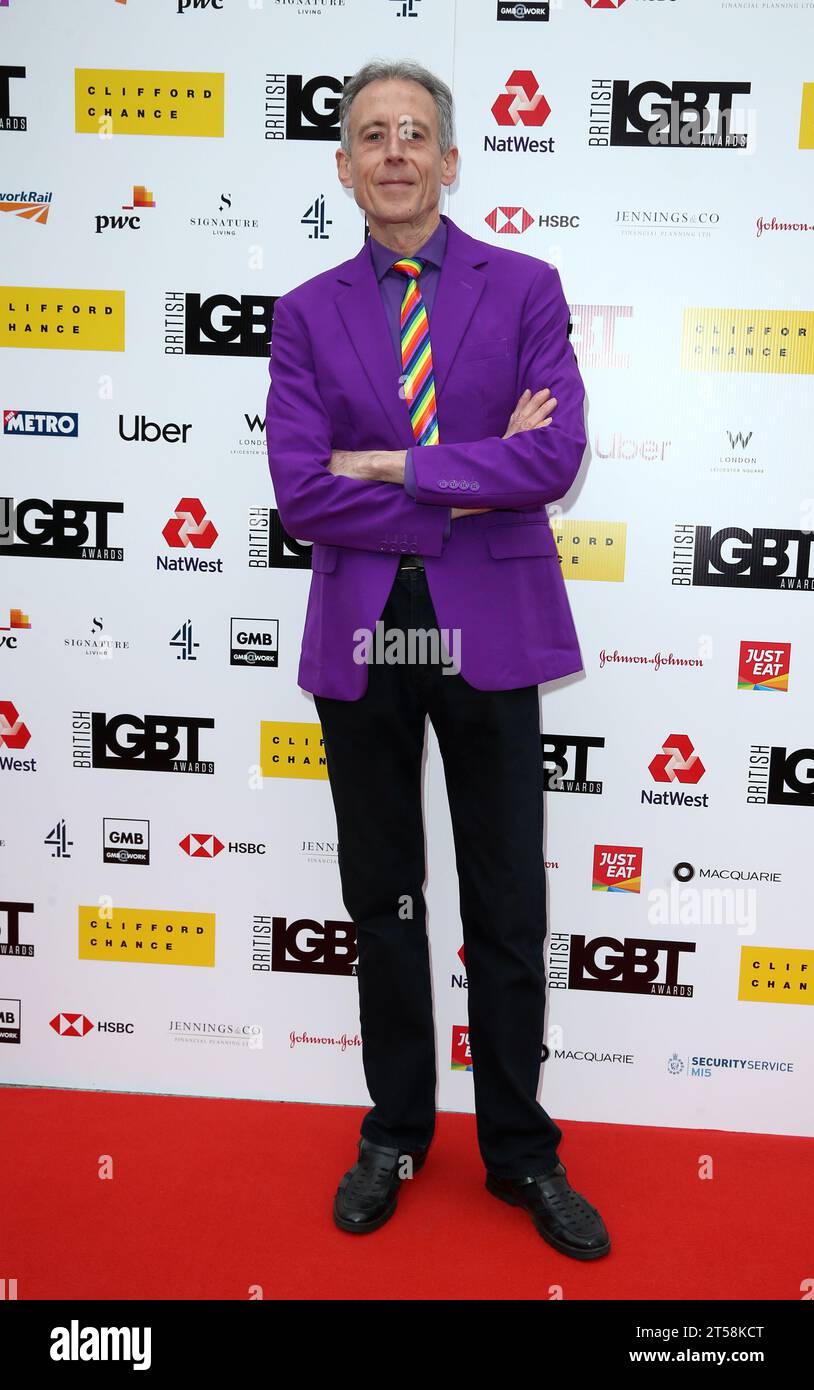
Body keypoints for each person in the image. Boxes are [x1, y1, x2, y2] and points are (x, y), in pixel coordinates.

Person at [265, 59, 610, 1261]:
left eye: (416, 133)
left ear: (451, 159)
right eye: (372, 135)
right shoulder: (307, 312)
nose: (396, 152)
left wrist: (393, 464)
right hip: (365, 631)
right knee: (387, 895)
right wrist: (461, 474)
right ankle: (396, 1133)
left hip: (491, 626)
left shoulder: (524, 288)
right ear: (345, 167)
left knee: (508, 900)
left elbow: (551, 461)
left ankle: (521, 1151)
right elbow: (300, 495)